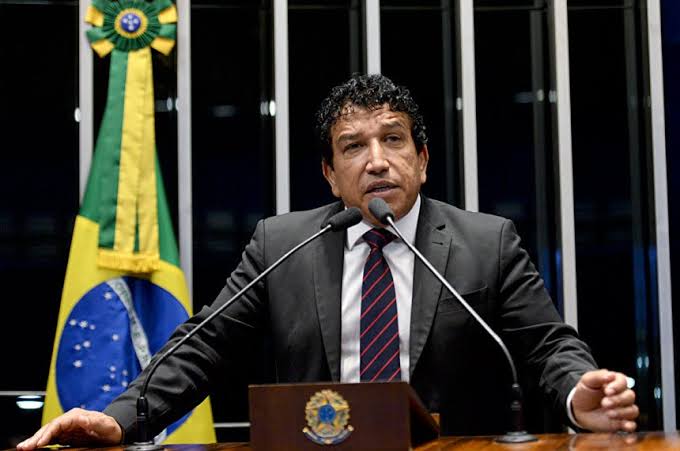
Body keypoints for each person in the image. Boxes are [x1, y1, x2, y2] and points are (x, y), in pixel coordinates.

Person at [18, 74, 638, 449]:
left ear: (422, 160)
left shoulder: (486, 242)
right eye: (353, 147)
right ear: (330, 174)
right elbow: (202, 348)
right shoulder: (280, 244)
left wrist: (577, 393)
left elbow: (547, 345)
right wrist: (118, 419)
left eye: (393, 140)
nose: (377, 160)